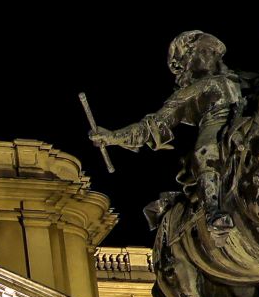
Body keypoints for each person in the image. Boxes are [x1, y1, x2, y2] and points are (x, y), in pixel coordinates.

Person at [89, 30, 245, 229]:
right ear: (188, 61)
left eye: (215, 52)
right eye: (205, 52)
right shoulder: (192, 91)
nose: (213, 57)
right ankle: (213, 211)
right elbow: (153, 126)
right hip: (216, 127)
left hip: (247, 122)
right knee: (206, 151)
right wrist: (112, 137)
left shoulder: (242, 79)